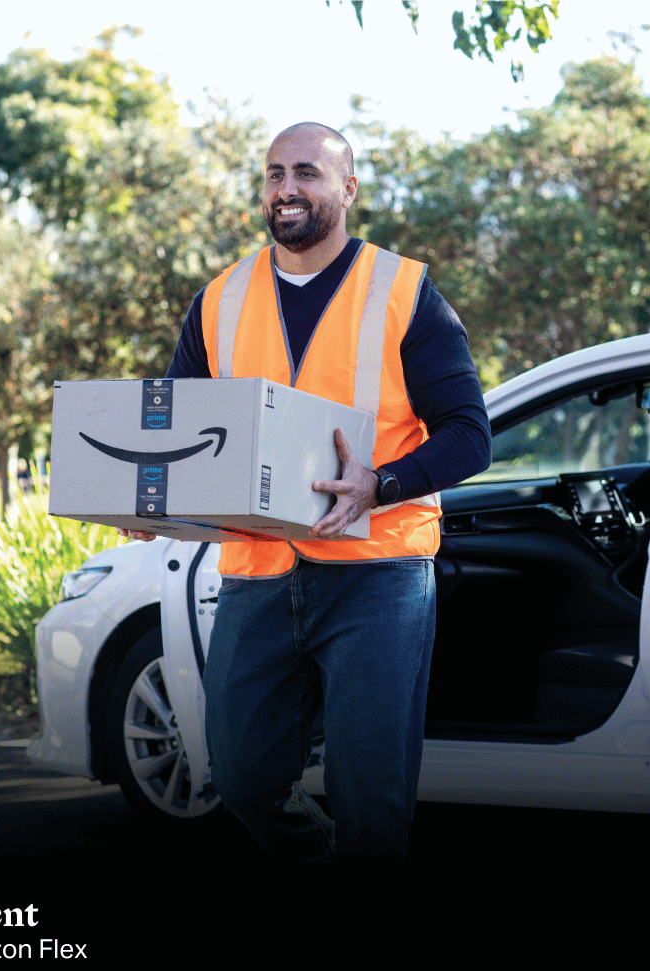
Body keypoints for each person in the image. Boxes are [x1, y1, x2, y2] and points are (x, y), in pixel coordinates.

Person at [120, 122, 490, 860]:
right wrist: (154, 504)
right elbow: (188, 437)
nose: (287, 188)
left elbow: (468, 434)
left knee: (371, 797)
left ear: (347, 189)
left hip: (378, 577)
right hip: (257, 577)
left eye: (308, 174)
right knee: (245, 779)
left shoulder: (404, 291)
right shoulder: (219, 301)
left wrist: (381, 484)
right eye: (274, 174)